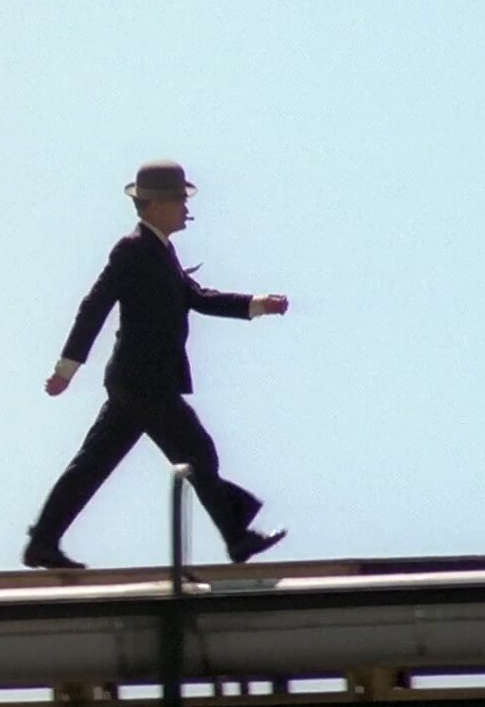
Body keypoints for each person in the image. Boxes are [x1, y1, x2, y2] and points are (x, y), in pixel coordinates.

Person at [23, 159, 289, 571]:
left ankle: (43, 542)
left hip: (140, 384)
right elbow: (94, 306)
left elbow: (198, 298)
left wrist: (257, 304)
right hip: (143, 382)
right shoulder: (131, 250)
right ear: (154, 206)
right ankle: (237, 536)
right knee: (197, 450)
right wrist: (67, 368)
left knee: (94, 464)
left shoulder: (162, 251)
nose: (186, 207)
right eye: (179, 200)